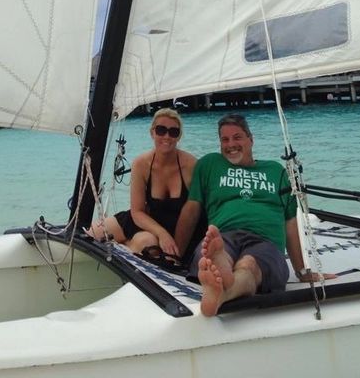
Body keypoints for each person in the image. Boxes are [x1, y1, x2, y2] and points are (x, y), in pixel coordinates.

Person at [174, 113, 334, 316]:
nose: (231, 144)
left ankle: (222, 289)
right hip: (224, 236)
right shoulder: (209, 165)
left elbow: (290, 223)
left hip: (265, 241)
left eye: (237, 137)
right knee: (222, 252)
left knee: (249, 264)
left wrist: (302, 271)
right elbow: (191, 209)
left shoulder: (276, 171)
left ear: (251, 139)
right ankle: (221, 265)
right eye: (224, 139)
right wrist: (175, 256)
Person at [88, 108, 197, 256]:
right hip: (143, 219)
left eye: (173, 132)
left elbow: (196, 211)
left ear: (179, 137)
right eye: (161, 130)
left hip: (171, 228)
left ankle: (127, 244)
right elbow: (137, 211)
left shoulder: (190, 165)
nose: (167, 136)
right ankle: (125, 242)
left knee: (145, 244)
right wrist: (162, 233)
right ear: (152, 132)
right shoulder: (141, 163)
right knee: (91, 235)